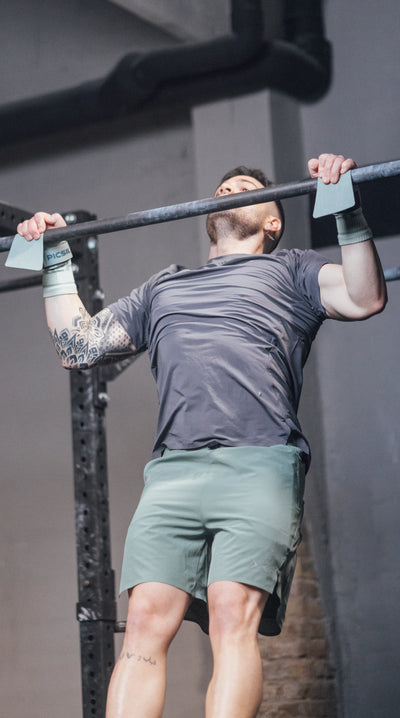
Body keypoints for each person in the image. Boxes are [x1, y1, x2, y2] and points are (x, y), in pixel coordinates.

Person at [17, 153, 387, 718]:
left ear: (272, 221)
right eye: (224, 187)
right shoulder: (164, 287)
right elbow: (79, 346)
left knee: (229, 614)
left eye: (246, 187)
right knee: (144, 620)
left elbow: (364, 297)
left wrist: (345, 205)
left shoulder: (293, 271)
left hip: (259, 465)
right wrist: (55, 257)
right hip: (174, 473)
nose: (231, 190)